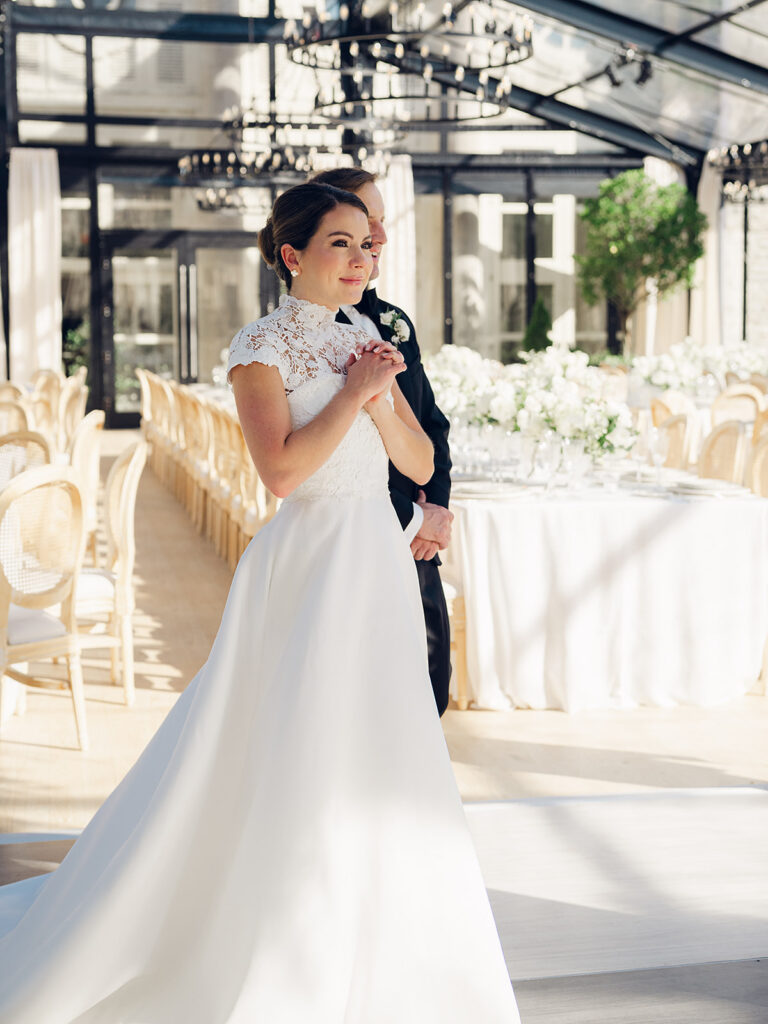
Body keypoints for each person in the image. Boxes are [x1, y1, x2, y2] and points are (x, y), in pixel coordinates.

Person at [0, 182, 520, 1023]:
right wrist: (353, 395)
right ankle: (279, 940)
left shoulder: (366, 334)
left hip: (374, 564)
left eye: (370, 246)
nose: (364, 259)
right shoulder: (259, 348)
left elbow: (420, 466)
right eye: (344, 244)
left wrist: (383, 399)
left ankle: (387, 930)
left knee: (382, 744)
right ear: (293, 255)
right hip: (310, 563)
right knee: (293, 740)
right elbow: (279, 475)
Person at [310, 167, 454, 717]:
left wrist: (435, 508)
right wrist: (412, 519)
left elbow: (429, 424)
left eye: (380, 225)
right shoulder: (285, 341)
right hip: (348, 536)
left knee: (427, 688)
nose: (381, 240)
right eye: (366, 224)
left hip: (414, 532)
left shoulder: (390, 323)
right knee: (351, 703)